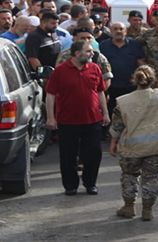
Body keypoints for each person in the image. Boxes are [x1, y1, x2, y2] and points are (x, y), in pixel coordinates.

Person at [110, 58, 158, 221]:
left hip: (131, 149)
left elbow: (117, 126)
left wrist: (113, 143)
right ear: (153, 79)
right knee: (151, 177)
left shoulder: (123, 101)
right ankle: (147, 210)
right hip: (157, 148)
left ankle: (128, 206)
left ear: (134, 79)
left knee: (129, 175)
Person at [45, 40, 110, 195]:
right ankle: (70, 185)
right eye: (88, 51)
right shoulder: (60, 71)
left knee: (93, 154)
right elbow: (50, 94)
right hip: (68, 121)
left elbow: (100, 92)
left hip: (92, 119)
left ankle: (90, 183)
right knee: (68, 155)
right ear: (76, 53)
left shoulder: (94, 68)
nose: (92, 54)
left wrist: (105, 113)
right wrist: (50, 117)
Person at [99, 22, 146, 120]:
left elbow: (141, 64)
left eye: (121, 29)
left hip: (130, 87)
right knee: (112, 114)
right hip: (111, 88)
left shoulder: (134, 45)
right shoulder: (103, 45)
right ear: (111, 31)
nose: (118, 31)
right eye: (115, 29)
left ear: (126, 31)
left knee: (130, 115)